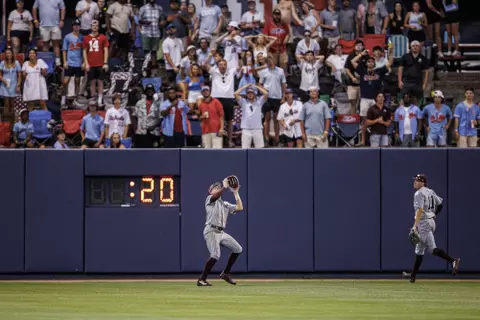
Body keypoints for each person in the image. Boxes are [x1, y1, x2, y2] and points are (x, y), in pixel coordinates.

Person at [402, 174, 460, 283]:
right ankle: (412, 276)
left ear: (423, 182)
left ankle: (453, 260)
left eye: (417, 180)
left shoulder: (419, 193)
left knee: (432, 249)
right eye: (415, 180)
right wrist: (433, 215)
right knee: (419, 249)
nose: (415, 182)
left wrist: (415, 226)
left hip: (424, 222)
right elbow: (440, 205)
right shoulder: (430, 191)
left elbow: (419, 210)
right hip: (430, 221)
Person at [197, 177, 244, 286]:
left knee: (238, 249)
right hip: (211, 230)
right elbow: (216, 195)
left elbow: (240, 207)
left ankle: (225, 273)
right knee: (215, 255)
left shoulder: (225, 204)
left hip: (221, 233)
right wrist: (224, 186)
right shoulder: (209, 199)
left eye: (219, 187)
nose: (217, 189)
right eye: (215, 188)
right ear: (210, 191)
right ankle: (201, 279)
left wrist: (236, 193)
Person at [83, 20, 109, 107]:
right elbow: (84, 51)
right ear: (90, 27)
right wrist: (86, 63)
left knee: (100, 81)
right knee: (92, 82)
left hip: (100, 63)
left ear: (98, 27)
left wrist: (105, 62)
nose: (94, 27)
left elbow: (106, 50)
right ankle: (93, 98)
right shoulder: (86, 38)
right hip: (91, 63)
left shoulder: (103, 37)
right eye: (93, 26)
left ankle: (100, 99)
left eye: (96, 26)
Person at [234, 83, 268, 149]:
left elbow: (266, 93)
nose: (250, 94)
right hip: (246, 129)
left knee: (259, 150)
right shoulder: (243, 102)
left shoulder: (259, 102)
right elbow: (235, 93)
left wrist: (256, 87)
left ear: (254, 94)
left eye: (252, 93)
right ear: (246, 94)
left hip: (257, 129)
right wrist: (245, 86)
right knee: (245, 149)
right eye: (248, 93)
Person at [32, 0, 66, 66]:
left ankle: (57, 62)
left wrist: (62, 20)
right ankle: (45, 63)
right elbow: (34, 8)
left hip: (56, 25)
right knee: (45, 45)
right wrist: (35, 20)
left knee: (56, 45)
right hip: (43, 25)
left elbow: (63, 8)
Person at [61, 19, 84, 108]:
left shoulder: (82, 37)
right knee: (65, 82)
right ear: (72, 26)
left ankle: (76, 100)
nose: (76, 26)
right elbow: (64, 50)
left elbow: (84, 51)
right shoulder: (67, 37)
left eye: (78, 25)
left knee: (77, 82)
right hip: (69, 63)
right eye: (75, 25)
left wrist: (83, 62)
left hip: (78, 63)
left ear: (80, 26)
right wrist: (65, 62)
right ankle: (63, 100)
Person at [132, 84, 161, 148]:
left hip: (154, 133)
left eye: (151, 90)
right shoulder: (139, 103)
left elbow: (161, 118)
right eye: (148, 90)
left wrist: (154, 125)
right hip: (140, 132)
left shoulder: (158, 104)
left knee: (154, 154)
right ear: (145, 92)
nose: (149, 91)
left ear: (154, 92)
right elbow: (134, 117)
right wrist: (135, 130)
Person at [0, 48, 22, 118]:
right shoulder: (2, 63)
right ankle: (6, 120)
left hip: (14, 85)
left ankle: (13, 120)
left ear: (12, 54)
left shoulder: (16, 62)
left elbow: (19, 75)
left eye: (9, 53)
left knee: (13, 103)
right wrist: (3, 81)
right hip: (5, 84)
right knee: (6, 103)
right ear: (5, 55)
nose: (8, 55)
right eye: (6, 53)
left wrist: (18, 85)